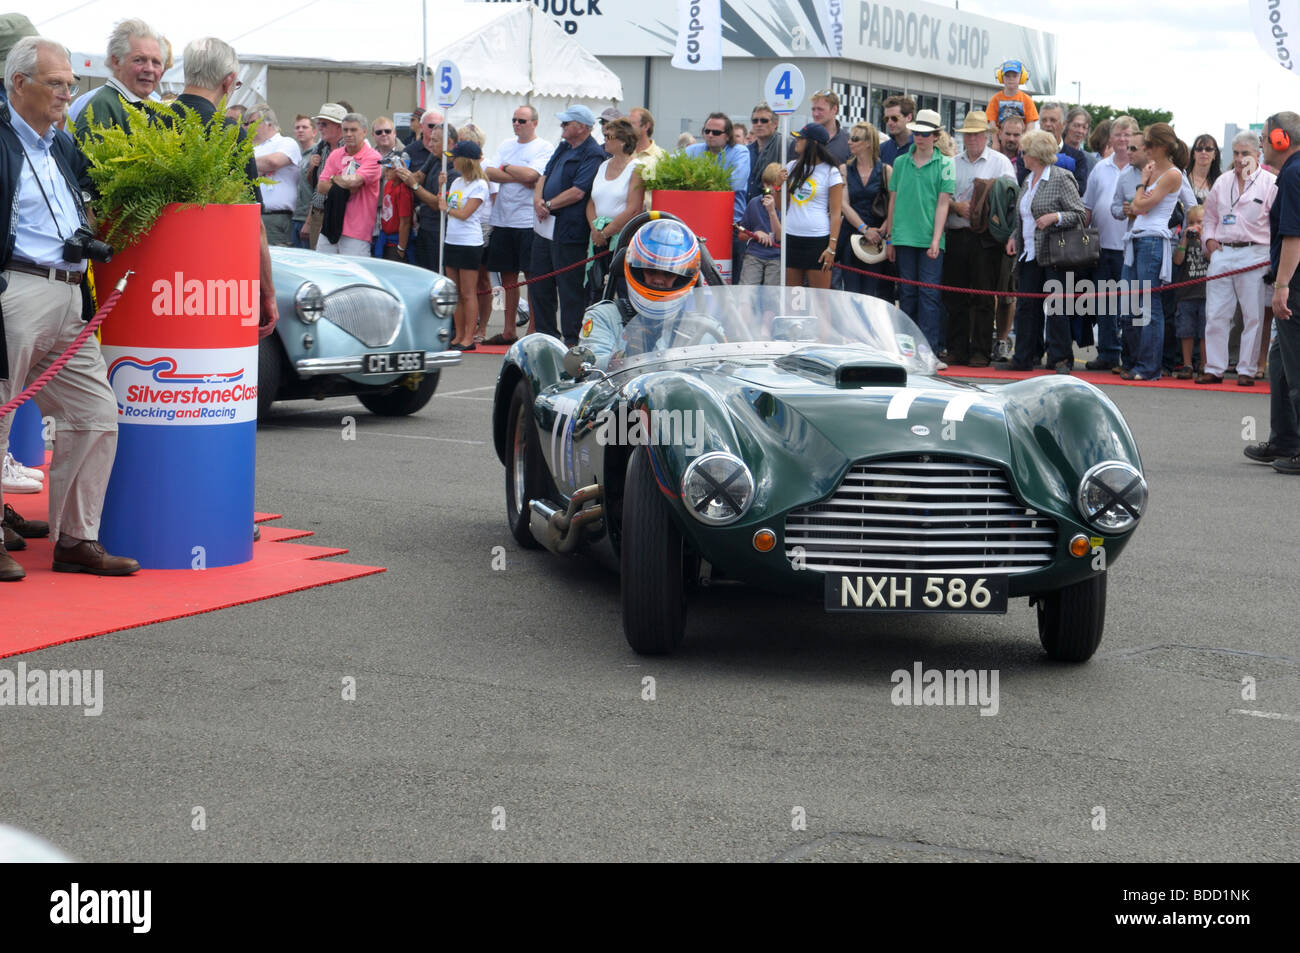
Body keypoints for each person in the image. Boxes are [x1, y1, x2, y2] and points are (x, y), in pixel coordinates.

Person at [0, 36, 139, 580]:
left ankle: (76, 539)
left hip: (68, 291)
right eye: (55, 83)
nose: (66, 94)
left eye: (70, 84)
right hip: (17, 289)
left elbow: (90, 194)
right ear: (19, 84)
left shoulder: (60, 143)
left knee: (95, 413)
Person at [996, 129, 1087, 374]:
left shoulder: (1061, 177)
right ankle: (1024, 356)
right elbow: (1023, 217)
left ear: (1036, 154)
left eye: (1025, 151)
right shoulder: (1028, 179)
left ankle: (1061, 359)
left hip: (1054, 254)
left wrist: (1054, 217)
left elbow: (1079, 214)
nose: (1021, 155)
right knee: (1026, 307)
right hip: (1029, 253)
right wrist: (1014, 238)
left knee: (1056, 308)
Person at [1197, 131, 1275, 385]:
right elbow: (1209, 217)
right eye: (1237, 153)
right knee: (1216, 312)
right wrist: (1209, 241)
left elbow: (1277, 223)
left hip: (1256, 252)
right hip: (1223, 251)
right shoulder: (1222, 181)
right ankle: (1214, 367)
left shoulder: (1270, 183)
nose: (1240, 159)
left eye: (1246, 154)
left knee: (1253, 315)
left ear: (1257, 154)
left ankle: (1247, 370)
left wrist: (1273, 257)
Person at [577, 219, 702, 370]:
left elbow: (724, 375)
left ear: (682, 277)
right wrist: (625, 358)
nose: (658, 280)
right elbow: (589, 370)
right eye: (651, 270)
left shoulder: (701, 327)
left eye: (669, 274)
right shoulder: (604, 317)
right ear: (637, 269)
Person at [1249, 111, 1300, 472]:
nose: (1262, 143)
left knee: (1296, 370)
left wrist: (1281, 286)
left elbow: (1294, 237)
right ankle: (1284, 439)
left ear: (1282, 139)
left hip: (1295, 283)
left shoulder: (1294, 173)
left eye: (1266, 137)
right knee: (1281, 362)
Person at [944, 112, 1014, 366]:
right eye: (968, 135)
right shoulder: (952, 162)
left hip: (985, 238)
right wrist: (955, 207)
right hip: (957, 233)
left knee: (984, 296)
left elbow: (1010, 200)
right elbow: (941, 198)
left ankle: (981, 351)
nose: (972, 139)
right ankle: (957, 349)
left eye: (976, 134)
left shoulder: (1001, 162)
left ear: (986, 136)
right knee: (955, 296)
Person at [531, 105, 605, 345]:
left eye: (566, 124)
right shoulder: (563, 146)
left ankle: (572, 340)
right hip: (545, 227)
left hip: (569, 230)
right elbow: (544, 174)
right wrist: (538, 200)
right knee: (539, 283)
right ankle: (546, 335)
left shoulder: (592, 153)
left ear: (581, 127)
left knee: (569, 289)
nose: (562, 127)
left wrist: (549, 204)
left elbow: (578, 192)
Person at [1120, 123, 1189, 381]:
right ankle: (1135, 361)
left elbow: (1140, 206)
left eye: (1147, 144)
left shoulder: (1171, 174)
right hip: (1137, 238)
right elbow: (1136, 207)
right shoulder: (1153, 170)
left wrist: (1142, 183)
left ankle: (1149, 366)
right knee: (1129, 302)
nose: (1145, 149)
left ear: (1160, 146)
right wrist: (1143, 189)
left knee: (1149, 304)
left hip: (1152, 240)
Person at [884, 109, 954, 355]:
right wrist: (890, 237)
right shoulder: (901, 162)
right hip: (903, 236)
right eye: (917, 133)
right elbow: (893, 200)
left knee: (929, 296)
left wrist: (936, 239)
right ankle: (906, 351)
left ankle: (929, 352)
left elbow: (944, 202)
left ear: (936, 136)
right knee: (907, 295)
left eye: (925, 134)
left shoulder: (946, 163)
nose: (920, 137)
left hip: (928, 238)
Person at [483, 104, 551, 344]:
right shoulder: (505, 145)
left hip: (527, 221)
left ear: (534, 123)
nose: (516, 124)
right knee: (507, 277)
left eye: (522, 120)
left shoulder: (543, 147)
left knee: (531, 277)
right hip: (503, 218)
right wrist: (516, 174)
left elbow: (534, 176)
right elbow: (490, 173)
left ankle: (533, 327)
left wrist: (507, 168)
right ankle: (509, 329)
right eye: (514, 120)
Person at [1080, 115, 1138, 371]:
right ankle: (1108, 352)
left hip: (1132, 248)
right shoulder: (1100, 168)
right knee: (1104, 303)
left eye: (1127, 135)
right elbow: (1088, 207)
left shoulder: (1143, 169)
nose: (1123, 140)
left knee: (1131, 305)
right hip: (1102, 246)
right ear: (1110, 139)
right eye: (1118, 135)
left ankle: (1131, 355)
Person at [438, 140, 490, 350]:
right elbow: (443, 203)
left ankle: (469, 336)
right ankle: (458, 335)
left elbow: (465, 213)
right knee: (456, 292)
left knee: (468, 293)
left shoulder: (480, 185)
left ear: (465, 161)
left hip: (469, 242)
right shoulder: (456, 182)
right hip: (452, 240)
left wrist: (446, 209)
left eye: (455, 158)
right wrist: (440, 186)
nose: (451, 161)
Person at [585, 118, 645, 300]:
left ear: (623, 141)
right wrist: (596, 231)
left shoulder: (637, 168)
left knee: (622, 289)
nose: (605, 140)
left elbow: (634, 209)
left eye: (609, 136)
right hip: (598, 239)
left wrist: (606, 233)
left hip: (622, 239)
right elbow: (591, 203)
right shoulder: (603, 165)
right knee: (595, 289)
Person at [778, 123, 843, 291]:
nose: (796, 141)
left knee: (820, 300)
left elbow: (836, 213)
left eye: (801, 138)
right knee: (793, 299)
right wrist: (778, 186)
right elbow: (781, 206)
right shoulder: (792, 166)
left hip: (817, 240)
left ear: (813, 143)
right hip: (791, 236)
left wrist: (832, 247)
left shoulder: (831, 172)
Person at [71, 18, 163, 135]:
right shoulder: (102, 109)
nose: (149, 69)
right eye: (139, 60)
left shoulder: (155, 107)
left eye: (156, 62)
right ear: (116, 61)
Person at [836, 121, 890, 299]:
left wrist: (884, 227)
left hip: (876, 239)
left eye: (855, 138)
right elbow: (843, 204)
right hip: (852, 235)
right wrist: (864, 229)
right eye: (850, 138)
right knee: (851, 292)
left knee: (871, 294)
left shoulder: (885, 170)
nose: (849, 142)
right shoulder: (845, 169)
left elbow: (894, 203)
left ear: (868, 143)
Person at [315, 112, 381, 256]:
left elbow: (355, 182)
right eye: (345, 130)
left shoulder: (373, 157)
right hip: (330, 226)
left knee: (353, 274)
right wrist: (341, 182)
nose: (349, 134)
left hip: (356, 230)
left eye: (353, 130)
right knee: (322, 270)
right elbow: (321, 187)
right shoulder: (336, 154)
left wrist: (332, 178)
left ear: (364, 132)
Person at [246, 105, 301, 247]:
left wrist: (248, 164)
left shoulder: (286, 142)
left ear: (268, 123)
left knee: (273, 262)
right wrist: (259, 167)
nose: (248, 127)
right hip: (250, 215)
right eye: (246, 123)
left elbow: (274, 161)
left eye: (252, 122)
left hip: (276, 217)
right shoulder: (249, 147)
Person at [685, 112, 751, 225]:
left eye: (716, 132)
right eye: (707, 131)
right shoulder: (692, 150)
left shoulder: (740, 152)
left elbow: (735, 183)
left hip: (730, 221)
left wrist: (698, 183)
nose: (710, 135)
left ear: (728, 136)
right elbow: (672, 170)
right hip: (697, 218)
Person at [1172, 204, 1209, 378]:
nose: (1195, 226)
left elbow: (1211, 257)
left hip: (1205, 292)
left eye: (1200, 222)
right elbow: (1178, 261)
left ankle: (1204, 364)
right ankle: (1187, 364)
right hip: (1186, 293)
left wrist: (1203, 238)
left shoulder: (1209, 239)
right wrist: (1185, 239)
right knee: (1185, 330)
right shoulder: (1184, 239)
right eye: (1191, 222)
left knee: (1205, 332)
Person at [302, 103, 344, 249]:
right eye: (319, 123)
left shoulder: (349, 150)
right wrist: (312, 169)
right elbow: (314, 186)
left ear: (339, 126)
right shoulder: (320, 147)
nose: (319, 127)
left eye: (324, 124)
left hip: (337, 216)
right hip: (317, 215)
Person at [738, 162, 783, 286]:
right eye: (766, 184)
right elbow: (741, 235)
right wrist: (754, 234)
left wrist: (772, 212)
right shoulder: (754, 203)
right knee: (746, 292)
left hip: (777, 256)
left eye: (774, 185)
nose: (770, 189)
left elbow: (781, 238)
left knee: (772, 296)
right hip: (755, 254)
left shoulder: (786, 205)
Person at [984, 60, 1038, 130]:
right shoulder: (995, 99)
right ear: (1001, 77)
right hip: (1001, 140)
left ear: (1022, 77)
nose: (1011, 79)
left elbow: (1030, 125)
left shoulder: (1027, 100)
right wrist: (995, 141)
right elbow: (992, 124)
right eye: (1007, 75)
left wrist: (1025, 141)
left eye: (1015, 76)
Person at [746, 102, 781, 199]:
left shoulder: (784, 147)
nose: (758, 124)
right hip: (748, 208)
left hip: (772, 207)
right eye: (755, 121)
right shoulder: (746, 151)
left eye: (764, 120)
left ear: (775, 123)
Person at [627, 106, 666, 179]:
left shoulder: (661, 156)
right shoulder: (624, 152)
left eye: (632, 123)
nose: (627, 128)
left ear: (646, 126)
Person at [879, 94, 915, 166]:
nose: (889, 123)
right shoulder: (881, 149)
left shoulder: (919, 147)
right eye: (886, 119)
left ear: (909, 117)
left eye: (894, 118)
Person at [1185, 133, 1221, 204]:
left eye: (1208, 149)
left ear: (1215, 155)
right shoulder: (1183, 177)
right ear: (1193, 154)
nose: (1203, 152)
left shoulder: (1220, 181)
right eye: (1199, 149)